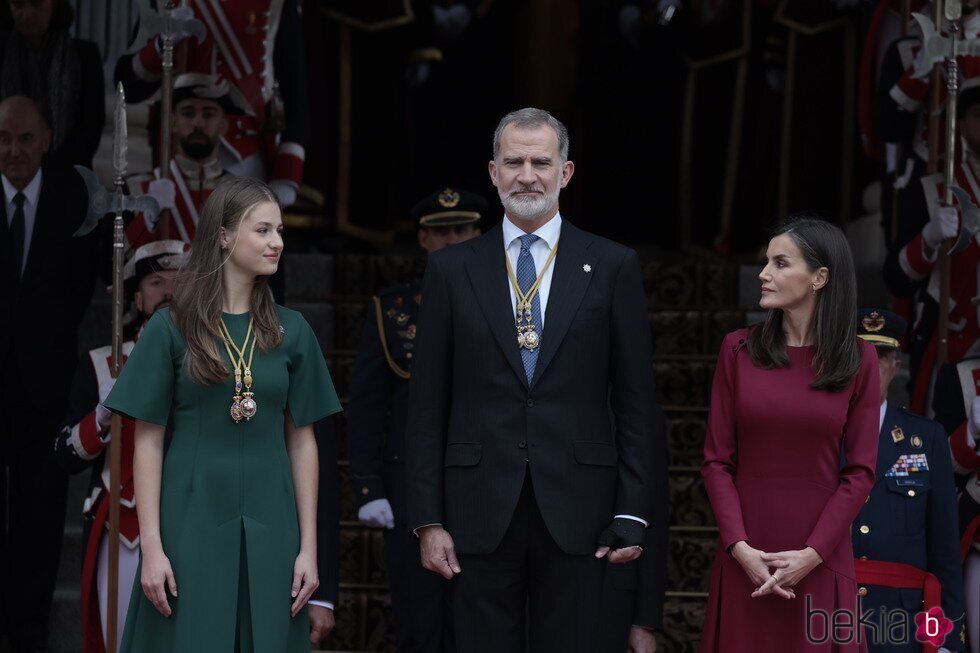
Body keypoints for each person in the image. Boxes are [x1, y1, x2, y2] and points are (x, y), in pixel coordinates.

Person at [406, 107, 663, 652]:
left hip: (582, 512)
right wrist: (427, 519)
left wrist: (633, 510)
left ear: (566, 172)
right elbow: (426, 405)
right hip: (476, 510)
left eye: (540, 162)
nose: (527, 175)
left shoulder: (613, 265)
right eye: (514, 161)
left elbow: (638, 404)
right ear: (493, 172)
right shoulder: (452, 270)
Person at [101, 176, 341, 651]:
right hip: (189, 515)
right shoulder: (170, 328)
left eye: (280, 232)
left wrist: (309, 550)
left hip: (275, 520)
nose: (278, 243)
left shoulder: (294, 331)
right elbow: (146, 441)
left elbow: (303, 441)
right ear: (225, 236)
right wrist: (152, 547)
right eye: (264, 230)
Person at [699, 217, 880, 652]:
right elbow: (716, 461)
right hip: (747, 556)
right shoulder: (737, 350)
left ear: (819, 278)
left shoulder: (860, 358)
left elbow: (860, 472)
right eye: (766, 262)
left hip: (819, 556)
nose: (764, 273)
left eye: (780, 263)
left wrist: (813, 554)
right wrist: (739, 548)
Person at [347, 186, 485, 653]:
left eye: (461, 230)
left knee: (484, 620)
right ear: (423, 239)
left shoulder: (513, 305)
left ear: (480, 235)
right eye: (441, 232)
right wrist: (369, 485)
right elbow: (367, 403)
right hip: (409, 486)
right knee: (419, 619)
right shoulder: (393, 311)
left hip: (488, 483)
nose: (451, 241)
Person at [54, 240, 188, 653]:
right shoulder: (102, 363)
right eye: (155, 281)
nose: (167, 291)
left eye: (179, 281)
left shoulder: (218, 360)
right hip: (123, 527)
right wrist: (102, 415)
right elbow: (64, 456)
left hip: (193, 522)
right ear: (135, 295)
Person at [0, 94, 99, 651]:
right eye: (4, 139)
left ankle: (28, 633)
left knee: (38, 519)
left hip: (45, 381)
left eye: (25, 139)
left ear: (46, 139)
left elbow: (82, 281)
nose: (14, 151)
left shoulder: (70, 195)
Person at [115, 0, 309, 208]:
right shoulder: (167, 3)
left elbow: (294, 87)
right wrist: (161, 45)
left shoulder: (275, 4)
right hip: (179, 146)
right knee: (178, 235)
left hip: (245, 150)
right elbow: (129, 86)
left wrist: (287, 173)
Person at [851, 308, 965, 652]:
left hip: (903, 621)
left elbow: (944, 547)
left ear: (895, 368)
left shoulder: (925, 437)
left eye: (880, 358)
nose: (870, 368)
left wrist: (945, 639)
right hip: (831, 612)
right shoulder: (821, 435)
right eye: (859, 358)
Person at [883, 66, 980, 415]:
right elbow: (896, 277)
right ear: (962, 124)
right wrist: (928, 238)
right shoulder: (933, 190)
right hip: (952, 344)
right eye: (978, 114)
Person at [125, 73, 246, 248]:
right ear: (173, 123)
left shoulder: (244, 195)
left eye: (209, 114)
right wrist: (147, 218)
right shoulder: (137, 189)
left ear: (223, 126)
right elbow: (117, 263)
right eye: (188, 113)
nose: (197, 123)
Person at [0, 0, 104, 168]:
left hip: (68, 174)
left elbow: (90, 127)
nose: (26, 14)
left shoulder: (85, 56)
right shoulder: (3, 53)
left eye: (36, 4)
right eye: (18, 5)